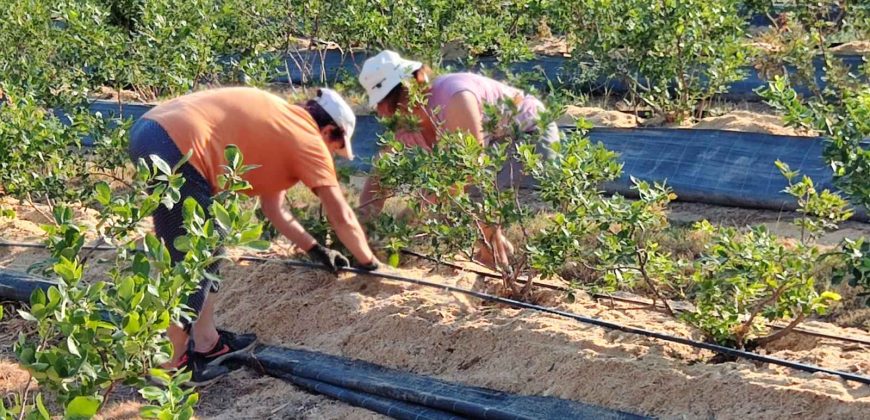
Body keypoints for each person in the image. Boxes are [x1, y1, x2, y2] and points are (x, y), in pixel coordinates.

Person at [128, 87, 380, 385]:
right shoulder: (308, 138)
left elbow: (276, 210)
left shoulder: (282, 126)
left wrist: (315, 249)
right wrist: (368, 263)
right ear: (328, 130)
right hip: (174, 142)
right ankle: (175, 362)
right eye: (335, 146)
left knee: (203, 244)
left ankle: (207, 342)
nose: (331, 156)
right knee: (199, 252)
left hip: (151, 132)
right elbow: (342, 216)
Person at [357, 50, 559, 270]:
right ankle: (499, 251)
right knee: (444, 198)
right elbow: (379, 180)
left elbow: (472, 169)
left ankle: (496, 262)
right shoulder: (404, 123)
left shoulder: (454, 97)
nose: (396, 111)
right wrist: (360, 231)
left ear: (416, 82)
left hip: (532, 136)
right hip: (493, 147)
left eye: (398, 100)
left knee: (462, 191)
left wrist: (413, 214)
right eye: (389, 106)